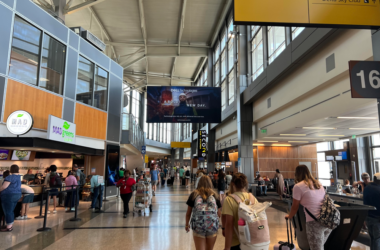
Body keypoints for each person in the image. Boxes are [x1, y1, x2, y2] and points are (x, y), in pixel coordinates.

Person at [285, 165, 330, 250]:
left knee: (316, 248)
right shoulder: (318, 184)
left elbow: (295, 206)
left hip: (314, 221)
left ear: (297, 174)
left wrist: (289, 216)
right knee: (319, 246)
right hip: (327, 221)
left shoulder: (298, 186)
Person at [222, 173, 258, 250]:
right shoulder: (252, 198)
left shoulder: (229, 200)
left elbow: (229, 224)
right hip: (252, 241)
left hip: (236, 242)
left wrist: (227, 247)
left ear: (232, 184)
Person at [185, 175, 221, 250]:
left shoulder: (194, 194)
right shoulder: (215, 195)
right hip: (212, 226)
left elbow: (188, 213)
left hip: (198, 226)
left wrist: (187, 224)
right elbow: (219, 213)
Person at [0, 165, 22, 231]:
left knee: (8, 211)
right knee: (11, 210)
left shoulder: (9, 177)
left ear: (11, 169)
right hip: (17, 195)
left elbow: (4, 187)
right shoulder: (19, 177)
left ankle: (8, 227)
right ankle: (10, 225)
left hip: (8, 195)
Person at [363, 173, 380, 249]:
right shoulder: (378, 189)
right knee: (377, 239)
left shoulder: (367, 188)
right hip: (377, 218)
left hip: (368, 217)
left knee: (372, 238)